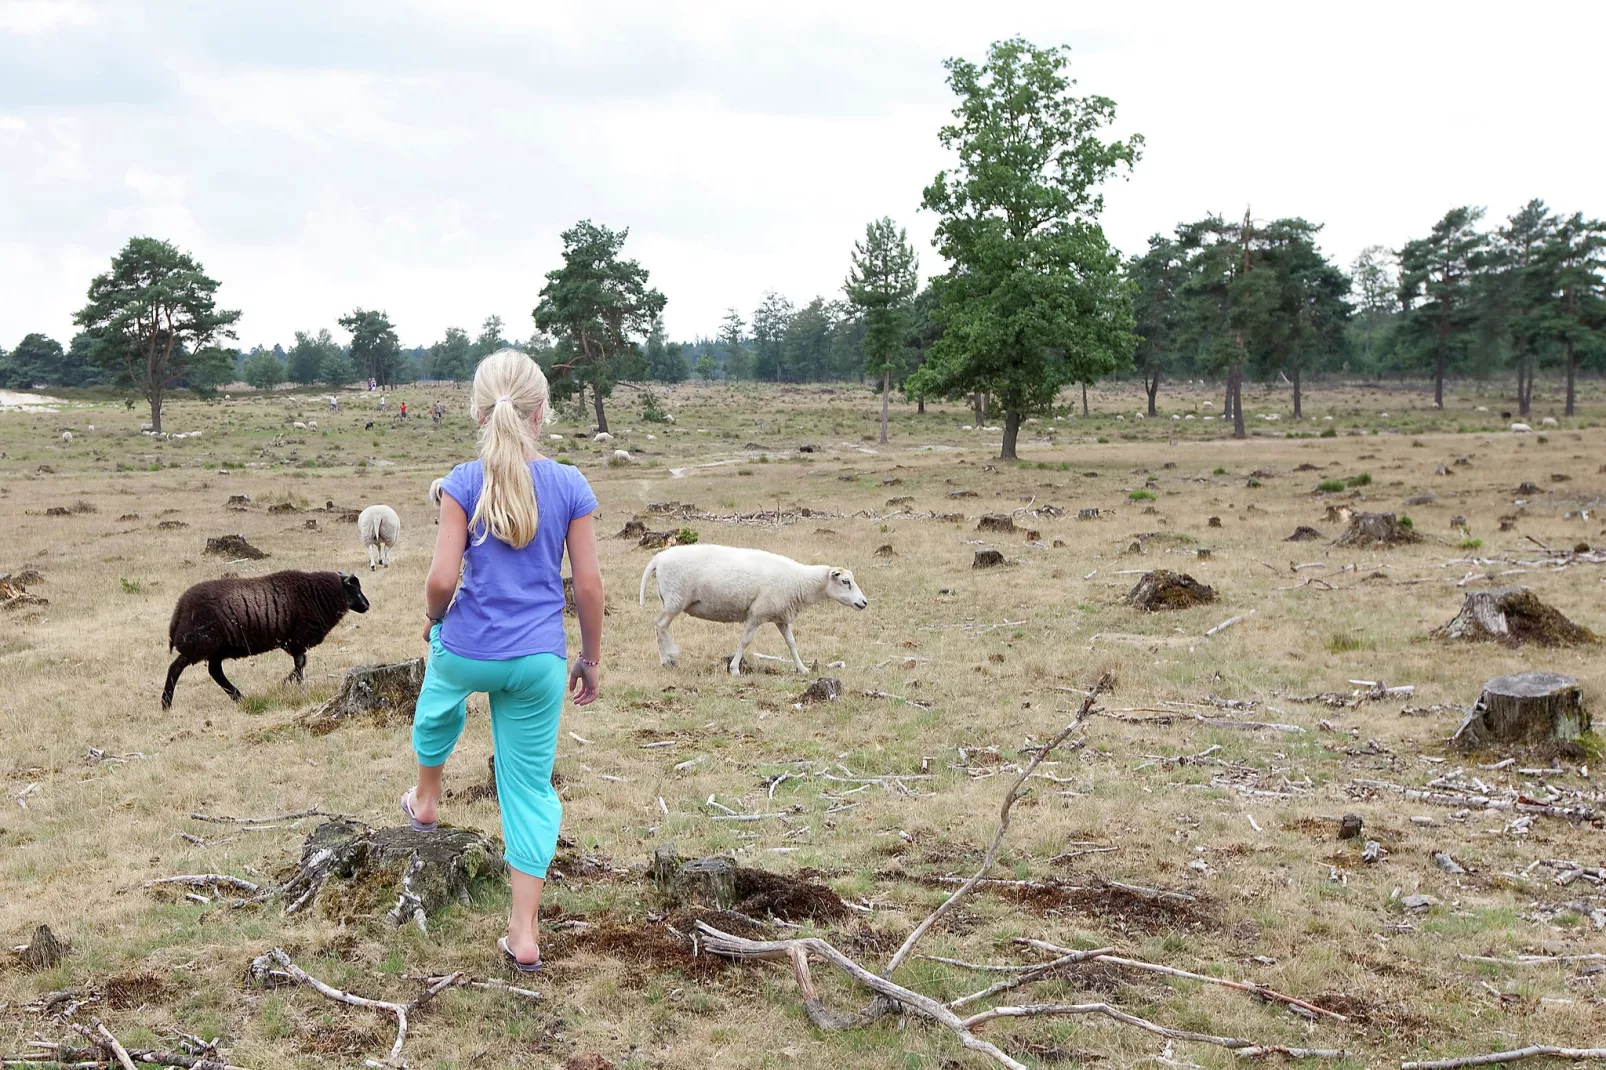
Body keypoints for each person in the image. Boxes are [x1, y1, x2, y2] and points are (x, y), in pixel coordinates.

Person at [403, 348, 603, 972]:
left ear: (478, 413)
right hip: (541, 660)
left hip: (467, 650)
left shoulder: (463, 480)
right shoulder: (570, 483)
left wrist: (436, 623)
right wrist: (590, 659)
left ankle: (426, 798)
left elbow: (441, 578)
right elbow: (590, 587)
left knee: (437, 706)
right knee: (527, 788)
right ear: (541, 413)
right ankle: (523, 933)